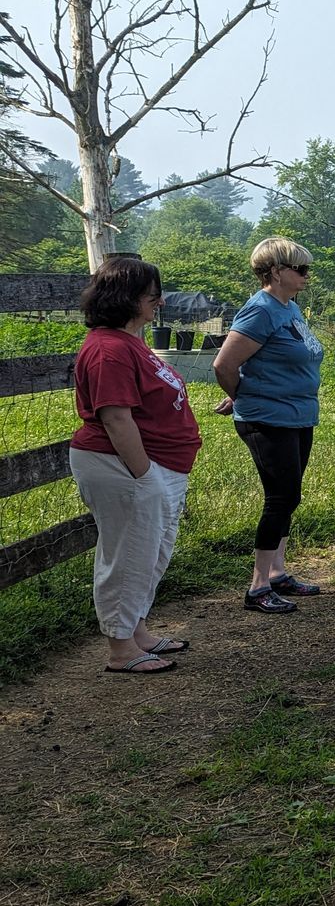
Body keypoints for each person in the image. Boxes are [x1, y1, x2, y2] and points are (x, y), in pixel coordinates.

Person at [68, 257, 202, 674]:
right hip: (124, 466)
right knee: (128, 553)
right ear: (126, 298)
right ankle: (120, 648)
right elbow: (115, 417)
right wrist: (143, 475)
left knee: (150, 551)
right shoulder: (109, 350)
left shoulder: (130, 340)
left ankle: (136, 630)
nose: (159, 302)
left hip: (151, 466)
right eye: (151, 295)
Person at [212, 238, 326, 614]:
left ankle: (277, 573)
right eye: (300, 269)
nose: (306, 275)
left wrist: (248, 388)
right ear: (276, 271)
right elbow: (224, 365)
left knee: (289, 495)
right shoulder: (259, 311)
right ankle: (258, 586)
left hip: (297, 415)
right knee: (280, 497)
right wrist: (244, 396)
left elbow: (268, 361)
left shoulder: (288, 307)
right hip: (268, 418)